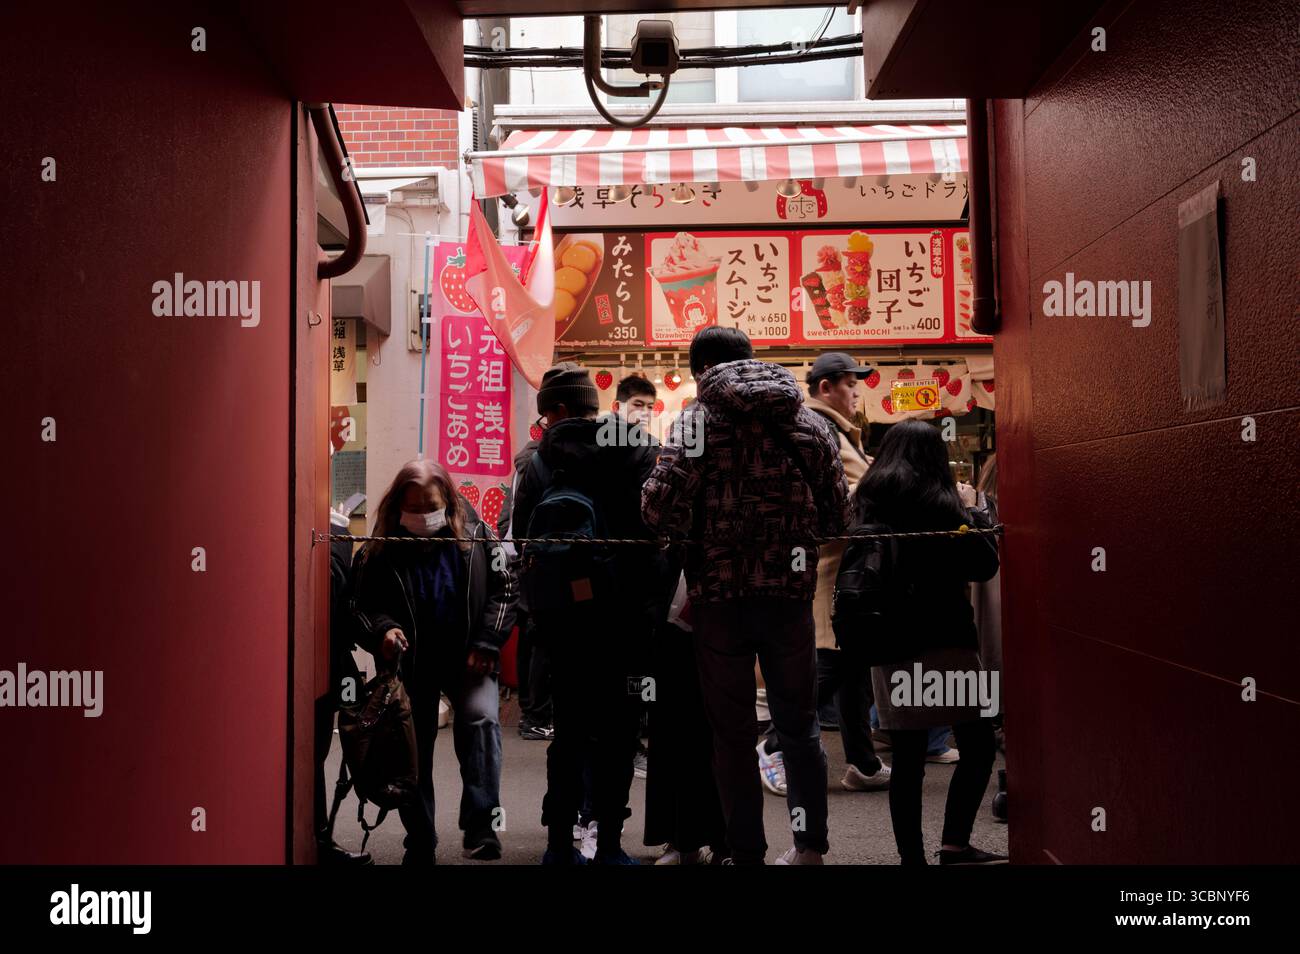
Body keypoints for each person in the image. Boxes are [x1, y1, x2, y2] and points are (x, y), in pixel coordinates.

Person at [642, 327, 848, 865]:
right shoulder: (808, 423)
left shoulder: (695, 424)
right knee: (799, 727)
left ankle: (746, 852)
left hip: (718, 597)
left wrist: (698, 527)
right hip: (789, 595)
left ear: (698, 371)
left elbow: (657, 511)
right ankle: (809, 849)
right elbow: (838, 516)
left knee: (730, 733)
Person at [512, 363, 667, 865]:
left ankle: (559, 844)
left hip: (564, 617)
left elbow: (522, 539)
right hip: (626, 614)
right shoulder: (640, 449)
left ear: (555, 410)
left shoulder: (538, 461)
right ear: (593, 405)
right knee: (620, 729)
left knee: (571, 729)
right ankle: (612, 845)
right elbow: (659, 527)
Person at [851, 420, 1005, 865]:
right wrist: (975, 513)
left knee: (909, 757)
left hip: (888, 645)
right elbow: (984, 565)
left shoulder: (868, 501)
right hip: (948, 642)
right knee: (977, 748)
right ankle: (955, 845)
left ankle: (912, 859)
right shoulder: (945, 504)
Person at [351, 459, 516, 864]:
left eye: (431, 506)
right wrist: (383, 631)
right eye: (414, 508)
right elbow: (359, 606)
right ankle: (420, 839)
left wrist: (488, 642)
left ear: (448, 498)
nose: (423, 516)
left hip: (469, 656)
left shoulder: (476, 532)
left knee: (482, 723)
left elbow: (506, 585)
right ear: (397, 504)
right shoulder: (381, 547)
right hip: (411, 664)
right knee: (413, 749)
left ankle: (482, 828)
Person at [757, 352, 892, 795]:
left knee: (851, 665)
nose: (857, 392)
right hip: (829, 568)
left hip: (843, 567)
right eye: (851, 384)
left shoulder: (838, 431)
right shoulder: (820, 430)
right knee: (828, 664)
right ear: (825, 387)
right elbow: (834, 494)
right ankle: (773, 745)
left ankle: (863, 762)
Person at [315, 508, 372, 864]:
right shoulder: (332, 530)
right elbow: (338, 595)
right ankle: (317, 841)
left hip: (323, 661)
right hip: (322, 661)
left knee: (313, 754)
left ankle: (318, 839)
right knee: (312, 753)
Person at [498, 440, 555, 742]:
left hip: (517, 558)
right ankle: (537, 716)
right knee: (542, 639)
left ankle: (527, 709)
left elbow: (507, 518)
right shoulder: (545, 466)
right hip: (540, 558)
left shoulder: (522, 465)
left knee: (528, 639)